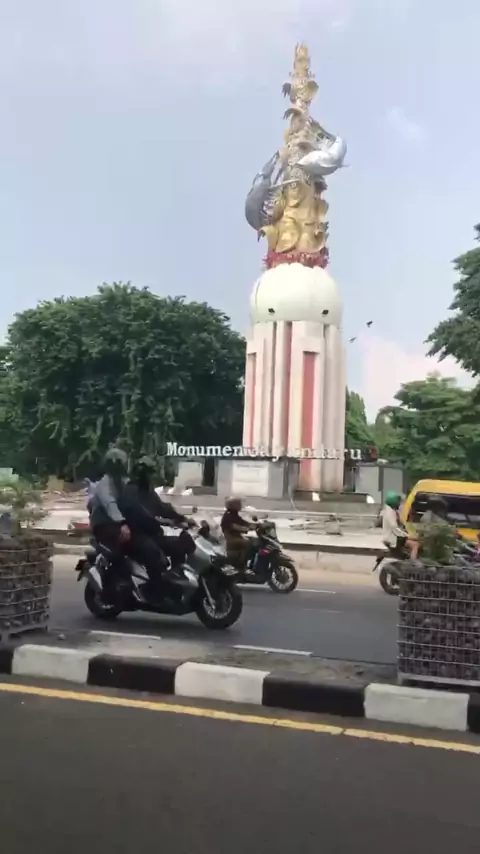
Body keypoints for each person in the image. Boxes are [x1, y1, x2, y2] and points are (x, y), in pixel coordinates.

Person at [89, 448, 166, 601]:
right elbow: (111, 506)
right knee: (122, 545)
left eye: (120, 463)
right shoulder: (104, 485)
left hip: (120, 522)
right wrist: (122, 523)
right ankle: (116, 583)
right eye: (116, 463)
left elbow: (134, 504)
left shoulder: (124, 482)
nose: (119, 466)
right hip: (104, 524)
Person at [128, 455, 194, 568]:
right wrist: (164, 522)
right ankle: (158, 579)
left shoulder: (148, 491)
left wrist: (183, 518)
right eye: (151, 473)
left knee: (183, 543)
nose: (154, 476)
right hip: (139, 537)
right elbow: (141, 514)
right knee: (159, 559)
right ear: (143, 474)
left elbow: (162, 508)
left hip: (153, 535)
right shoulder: (132, 491)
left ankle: (177, 574)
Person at [381, 491, 419, 559]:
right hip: (393, 539)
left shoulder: (392, 510)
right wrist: (408, 536)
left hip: (394, 537)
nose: (399, 504)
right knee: (415, 545)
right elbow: (395, 528)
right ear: (394, 503)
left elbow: (402, 522)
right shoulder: (390, 513)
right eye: (398, 502)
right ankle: (413, 563)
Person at [221, 497, 256, 569]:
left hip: (235, 536)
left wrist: (254, 524)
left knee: (254, 539)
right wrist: (247, 528)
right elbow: (234, 526)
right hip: (231, 538)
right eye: (238, 504)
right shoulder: (229, 515)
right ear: (233, 505)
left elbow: (241, 521)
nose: (240, 505)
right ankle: (241, 562)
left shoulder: (233, 513)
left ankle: (249, 562)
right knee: (249, 543)